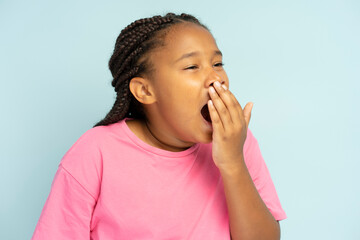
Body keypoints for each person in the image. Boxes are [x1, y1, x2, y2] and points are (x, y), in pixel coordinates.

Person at [31, 12, 287, 240]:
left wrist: (233, 163)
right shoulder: (95, 152)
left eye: (218, 64)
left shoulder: (238, 142)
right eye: (191, 67)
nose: (215, 79)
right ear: (145, 90)